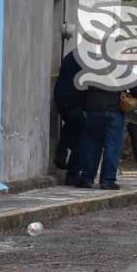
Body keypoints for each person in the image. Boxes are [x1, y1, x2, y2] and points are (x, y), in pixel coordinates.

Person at [76, 84, 137, 190]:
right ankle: (108, 180)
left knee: (91, 145)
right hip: (114, 108)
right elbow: (132, 82)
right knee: (113, 146)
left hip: (93, 107)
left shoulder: (92, 66)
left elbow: (81, 84)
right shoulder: (119, 67)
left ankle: (86, 178)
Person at [53, 49, 86, 185]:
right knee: (82, 136)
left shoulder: (73, 55)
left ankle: (61, 153)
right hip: (75, 99)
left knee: (71, 125)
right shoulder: (87, 58)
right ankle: (73, 173)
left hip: (62, 97)